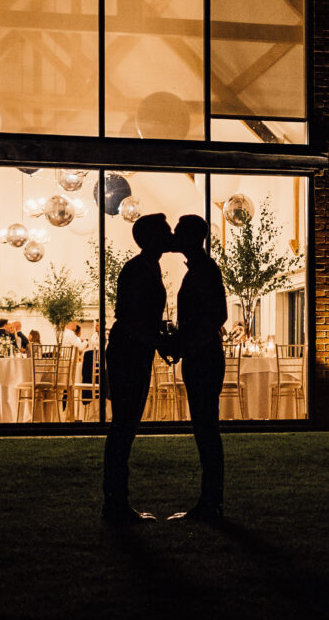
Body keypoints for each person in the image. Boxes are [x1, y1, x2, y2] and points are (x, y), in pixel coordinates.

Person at [101, 212, 172, 523]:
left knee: (125, 426)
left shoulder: (148, 266)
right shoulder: (138, 269)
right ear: (153, 237)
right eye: (166, 230)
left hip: (135, 351)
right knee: (123, 427)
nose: (170, 235)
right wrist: (161, 342)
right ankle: (116, 503)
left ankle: (116, 501)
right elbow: (130, 318)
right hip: (128, 353)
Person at [168, 214, 227, 523]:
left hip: (203, 358)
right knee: (205, 428)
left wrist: (186, 343)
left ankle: (211, 502)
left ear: (191, 236)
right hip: (200, 355)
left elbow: (217, 315)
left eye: (178, 231)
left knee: (206, 429)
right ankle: (210, 500)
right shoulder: (201, 269)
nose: (174, 237)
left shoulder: (204, 270)